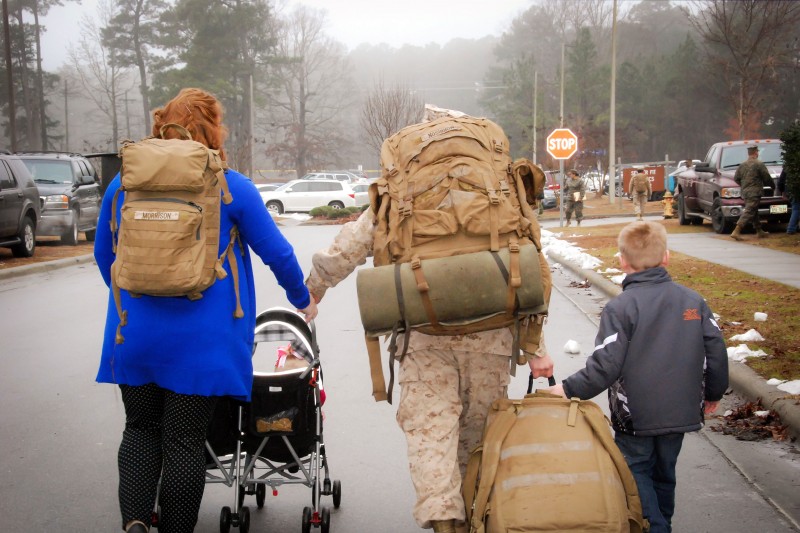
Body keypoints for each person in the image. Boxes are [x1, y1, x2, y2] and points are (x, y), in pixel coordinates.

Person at [305, 112, 554, 533]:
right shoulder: (498, 184)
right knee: (478, 437)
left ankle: (444, 521)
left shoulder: (402, 190)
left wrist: (313, 290)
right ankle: (477, 514)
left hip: (424, 332)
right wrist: (537, 348)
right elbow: (528, 261)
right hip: (491, 329)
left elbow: (355, 240)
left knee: (430, 435)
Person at [94, 88, 318, 533]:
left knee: (139, 430)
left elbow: (106, 256)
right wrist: (302, 299)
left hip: (133, 334)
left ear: (162, 125)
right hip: (201, 344)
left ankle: (136, 521)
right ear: (212, 130)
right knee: (182, 442)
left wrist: (142, 300)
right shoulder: (231, 187)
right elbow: (277, 253)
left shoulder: (124, 185)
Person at [547, 220, 728, 533]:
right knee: (665, 472)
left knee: (636, 470)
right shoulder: (693, 302)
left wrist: (568, 389)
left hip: (635, 416)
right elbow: (716, 350)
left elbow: (606, 364)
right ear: (666, 257)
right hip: (681, 410)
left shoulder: (621, 308)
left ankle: (655, 526)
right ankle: (663, 522)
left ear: (622, 260)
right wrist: (713, 392)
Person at [731, 146, 772, 240]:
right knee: (750, 211)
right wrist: (772, 186)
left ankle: (759, 230)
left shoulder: (742, 165)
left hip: (745, 192)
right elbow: (766, 177)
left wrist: (744, 185)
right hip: (755, 192)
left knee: (754, 211)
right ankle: (736, 230)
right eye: (757, 151)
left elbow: (736, 178)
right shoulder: (759, 164)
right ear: (755, 153)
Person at [778, 168, 799, 235]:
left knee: (796, 209)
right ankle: (791, 229)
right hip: (795, 191)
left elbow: (781, 181)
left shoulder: (787, 165)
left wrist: (782, 191)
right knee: (796, 209)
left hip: (789, 191)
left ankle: (794, 227)